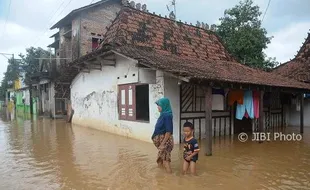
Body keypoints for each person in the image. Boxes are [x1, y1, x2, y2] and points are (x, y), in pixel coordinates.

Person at [152, 97, 174, 173]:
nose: (158, 107)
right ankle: (161, 179)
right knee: (160, 160)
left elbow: (168, 131)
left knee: (165, 161)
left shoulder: (167, 116)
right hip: (162, 143)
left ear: (164, 105)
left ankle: (169, 179)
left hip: (165, 142)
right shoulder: (163, 115)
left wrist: (162, 144)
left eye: (159, 105)